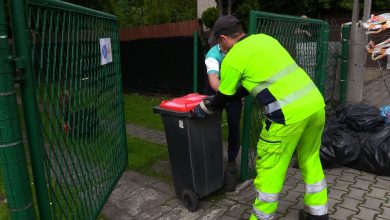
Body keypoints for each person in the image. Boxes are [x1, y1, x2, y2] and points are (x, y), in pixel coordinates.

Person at [194, 15, 328, 220]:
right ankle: (318, 214)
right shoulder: (266, 39)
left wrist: (206, 108)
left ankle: (261, 217)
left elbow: (224, 95)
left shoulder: (233, 58)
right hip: (315, 105)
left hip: (287, 116)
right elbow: (248, 87)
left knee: (270, 169)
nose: (220, 48)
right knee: (310, 158)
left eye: (219, 43)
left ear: (223, 38)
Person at [204, 36, 242, 185]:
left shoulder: (238, 50)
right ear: (221, 40)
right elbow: (213, 77)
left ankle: (232, 161)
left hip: (235, 95)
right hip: (218, 92)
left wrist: (241, 92)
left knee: (234, 125)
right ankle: (211, 156)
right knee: (211, 123)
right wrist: (224, 94)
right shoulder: (212, 55)